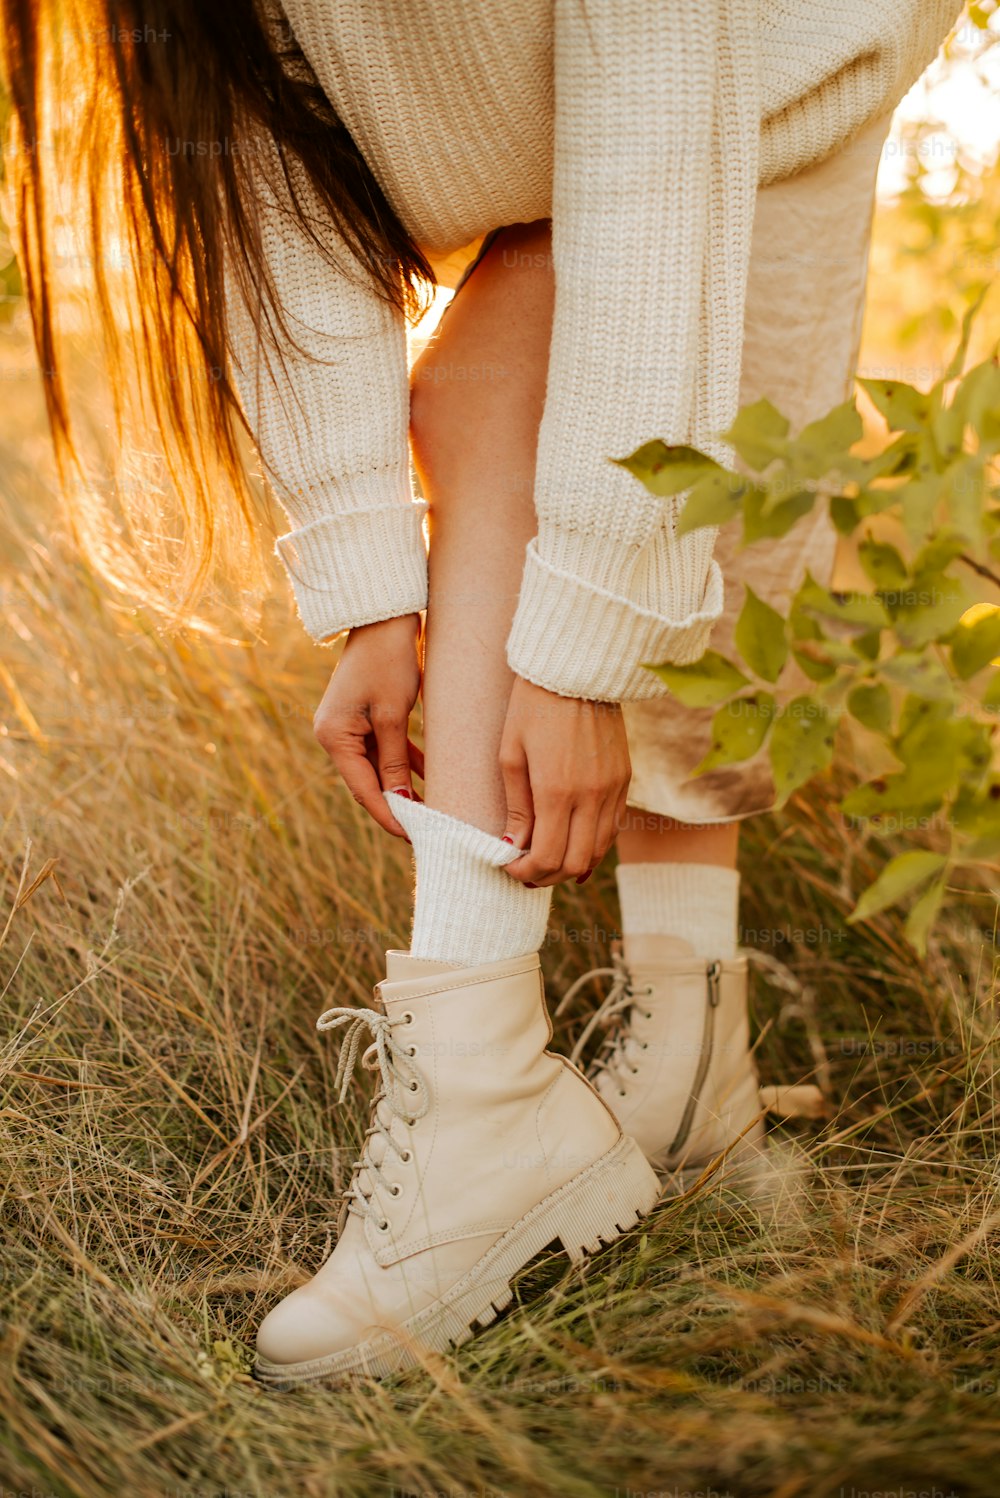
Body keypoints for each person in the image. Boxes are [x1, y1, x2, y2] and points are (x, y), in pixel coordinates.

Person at [3, 0, 961, 1388]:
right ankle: (693, 1072)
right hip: (567, 104)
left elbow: (642, 129)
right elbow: (283, 197)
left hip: (785, 30)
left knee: (584, 398)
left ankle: (487, 1097)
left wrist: (581, 654)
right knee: (623, 400)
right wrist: (371, 596)